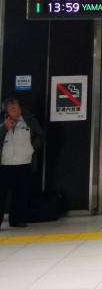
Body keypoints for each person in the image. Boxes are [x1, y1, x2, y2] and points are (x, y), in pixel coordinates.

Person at [0, 97, 44, 228]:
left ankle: (17, 219)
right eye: (13, 109)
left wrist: (32, 149)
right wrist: (3, 128)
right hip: (4, 164)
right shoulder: (2, 121)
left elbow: (40, 134)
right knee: (1, 195)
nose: (17, 112)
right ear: (6, 110)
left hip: (24, 162)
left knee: (21, 193)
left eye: (18, 108)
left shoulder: (28, 119)